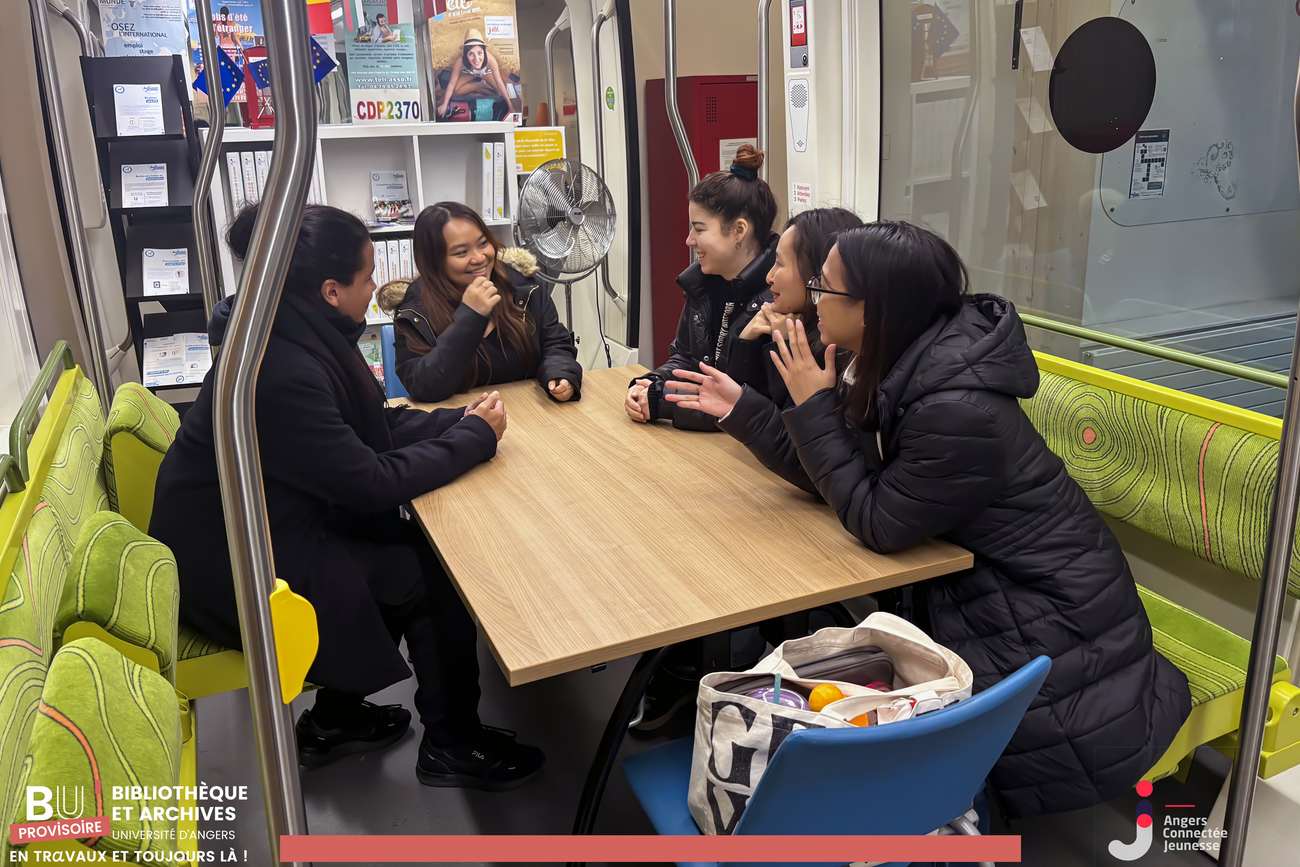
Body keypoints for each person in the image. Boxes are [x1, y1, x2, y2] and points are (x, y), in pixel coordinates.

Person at [669, 221, 1191, 817]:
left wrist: (813, 406)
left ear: (874, 309)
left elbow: (876, 520)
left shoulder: (954, 407)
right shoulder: (901, 358)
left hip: (1050, 618)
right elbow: (837, 472)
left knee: (875, 726)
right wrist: (746, 409)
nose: (813, 297)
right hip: (999, 585)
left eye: (826, 287)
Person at [150, 204, 545, 790]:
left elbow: (364, 430)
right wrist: (472, 441)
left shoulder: (287, 332)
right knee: (420, 571)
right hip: (232, 569)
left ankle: (334, 720)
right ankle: (452, 745)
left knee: (391, 548)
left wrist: (458, 424)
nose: (373, 292)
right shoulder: (277, 367)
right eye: (366, 279)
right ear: (332, 290)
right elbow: (369, 481)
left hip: (254, 529)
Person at [625, 144, 778, 431]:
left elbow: (743, 404)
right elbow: (686, 357)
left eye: (699, 229)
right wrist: (652, 383)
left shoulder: (776, 300)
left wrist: (662, 401)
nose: (689, 240)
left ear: (739, 231)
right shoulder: (704, 284)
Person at [383, 201, 582, 403]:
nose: (479, 258)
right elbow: (424, 386)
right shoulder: (415, 309)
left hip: (530, 413)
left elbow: (555, 342)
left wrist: (561, 373)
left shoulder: (524, 286)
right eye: (461, 252)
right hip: (459, 422)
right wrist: (470, 316)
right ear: (434, 262)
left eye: (483, 243)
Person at [438, 29, 511, 118]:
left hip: (485, 74)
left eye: (479, 53)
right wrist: (445, 104)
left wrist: (511, 107)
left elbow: (499, 81)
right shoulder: (460, 61)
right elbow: (452, 83)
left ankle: (482, 84)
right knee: (456, 91)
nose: (476, 59)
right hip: (470, 75)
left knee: (500, 91)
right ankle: (480, 85)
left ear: (484, 52)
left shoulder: (490, 60)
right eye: (471, 54)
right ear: (465, 55)